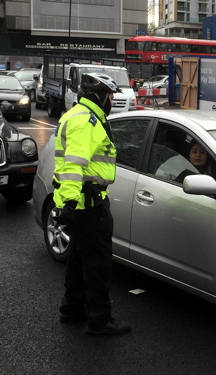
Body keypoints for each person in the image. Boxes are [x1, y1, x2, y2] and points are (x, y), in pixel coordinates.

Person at [52, 73, 131, 335]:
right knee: (97, 263)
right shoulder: (86, 121)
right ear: (98, 95)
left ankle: (72, 308)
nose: (111, 101)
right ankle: (99, 319)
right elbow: (74, 165)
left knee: (77, 257)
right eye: (109, 96)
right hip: (88, 203)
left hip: (81, 204)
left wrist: (69, 204)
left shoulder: (77, 115)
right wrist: (73, 201)